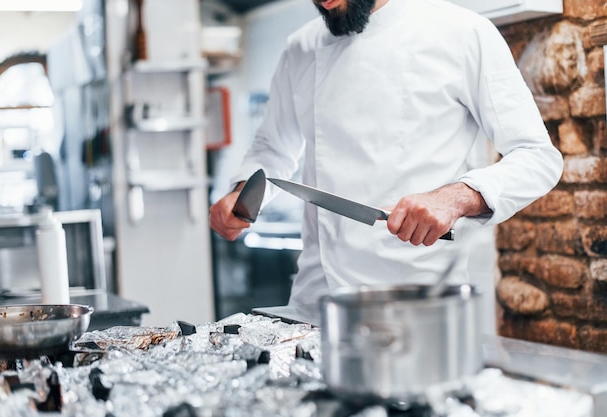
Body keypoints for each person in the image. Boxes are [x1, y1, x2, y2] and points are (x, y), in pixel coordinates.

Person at [209, 0, 563, 307]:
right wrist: (243, 192)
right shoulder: (300, 48)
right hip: (318, 301)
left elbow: (536, 156)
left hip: (418, 302)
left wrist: (458, 197)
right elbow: (272, 147)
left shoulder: (463, 33)